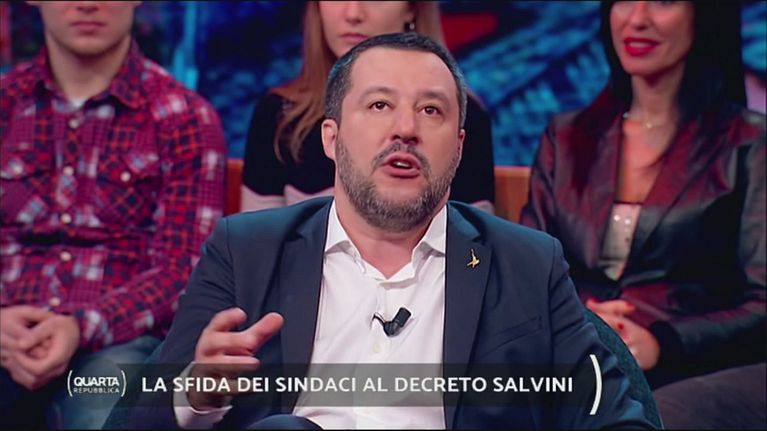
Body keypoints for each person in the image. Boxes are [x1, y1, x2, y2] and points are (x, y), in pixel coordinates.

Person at [118, 33, 654, 430]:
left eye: (431, 110)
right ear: (331, 138)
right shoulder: (246, 251)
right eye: (379, 105)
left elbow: (613, 417)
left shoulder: (527, 264)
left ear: (459, 147)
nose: (405, 129)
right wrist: (195, 397)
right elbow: (135, 418)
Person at [520, 0, 765, 427]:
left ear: (703, 16)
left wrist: (663, 342)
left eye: (663, 2)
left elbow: (762, 302)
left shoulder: (749, 143)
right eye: (625, 1)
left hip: (693, 371)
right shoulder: (566, 137)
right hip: (575, 355)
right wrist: (587, 319)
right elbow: (526, 277)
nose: (637, 19)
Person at [0, 1, 226, 429]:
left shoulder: (183, 117)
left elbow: (185, 270)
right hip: (7, 327)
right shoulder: (6, 105)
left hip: (121, 340)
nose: (87, 4)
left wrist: (80, 327)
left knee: (105, 408)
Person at [241, 1, 495, 214]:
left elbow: (473, 246)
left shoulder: (462, 118)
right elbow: (259, 248)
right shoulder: (278, 116)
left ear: (412, 8)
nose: (353, 13)